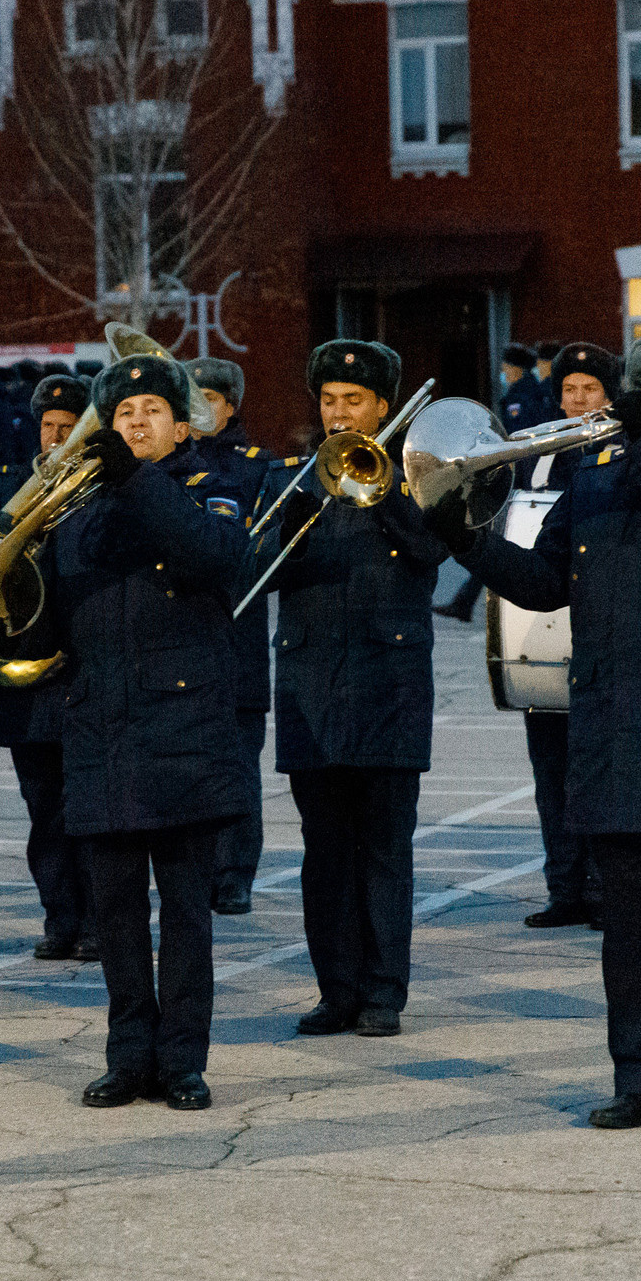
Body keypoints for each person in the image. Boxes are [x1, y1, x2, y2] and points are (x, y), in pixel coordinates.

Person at [435, 331, 641, 1134]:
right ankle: (637, 1077)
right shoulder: (597, 475)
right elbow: (545, 580)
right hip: (612, 728)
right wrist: (464, 538)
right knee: (627, 931)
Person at [42, 351, 256, 1109]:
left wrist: (132, 481)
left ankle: (183, 1060)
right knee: (117, 912)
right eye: (123, 415)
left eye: (151, 413)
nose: (136, 423)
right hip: (100, 725)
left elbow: (215, 555)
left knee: (188, 910)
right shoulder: (76, 504)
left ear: (180, 422)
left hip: (184, 725)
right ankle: (128, 1054)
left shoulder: (213, 486)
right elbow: (47, 615)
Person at [243, 340, 443, 1039]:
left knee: (385, 848)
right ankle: (336, 989)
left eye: (352, 401)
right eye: (328, 401)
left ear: (382, 406)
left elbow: (430, 554)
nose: (338, 414)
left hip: (388, 688)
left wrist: (382, 489)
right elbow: (253, 572)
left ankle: (384, 990)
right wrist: (286, 533)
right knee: (323, 851)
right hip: (311, 688)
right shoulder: (290, 479)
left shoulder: (419, 479)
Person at [508, 339, 621, 930]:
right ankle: (565, 887)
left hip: (600, 626)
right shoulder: (540, 450)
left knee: (598, 765)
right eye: (570, 391)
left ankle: (604, 889)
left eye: (590, 391)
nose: (578, 401)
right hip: (542, 631)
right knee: (550, 769)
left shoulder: (621, 450)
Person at [0, 372, 96, 959]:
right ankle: (61, 918)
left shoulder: (99, 496)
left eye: (67, 428)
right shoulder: (5, 487)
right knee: (43, 811)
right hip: (24, 677)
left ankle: (97, 923)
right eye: (48, 427)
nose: (56, 438)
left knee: (90, 807)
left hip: (80, 674)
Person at [184, 355, 278, 915]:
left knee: (239, 767)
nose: (200, 412)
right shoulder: (166, 465)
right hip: (183, 639)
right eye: (192, 401)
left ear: (232, 406)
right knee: (190, 763)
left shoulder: (257, 467)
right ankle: (197, 869)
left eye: (211, 401)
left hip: (237, 640)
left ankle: (237, 872)